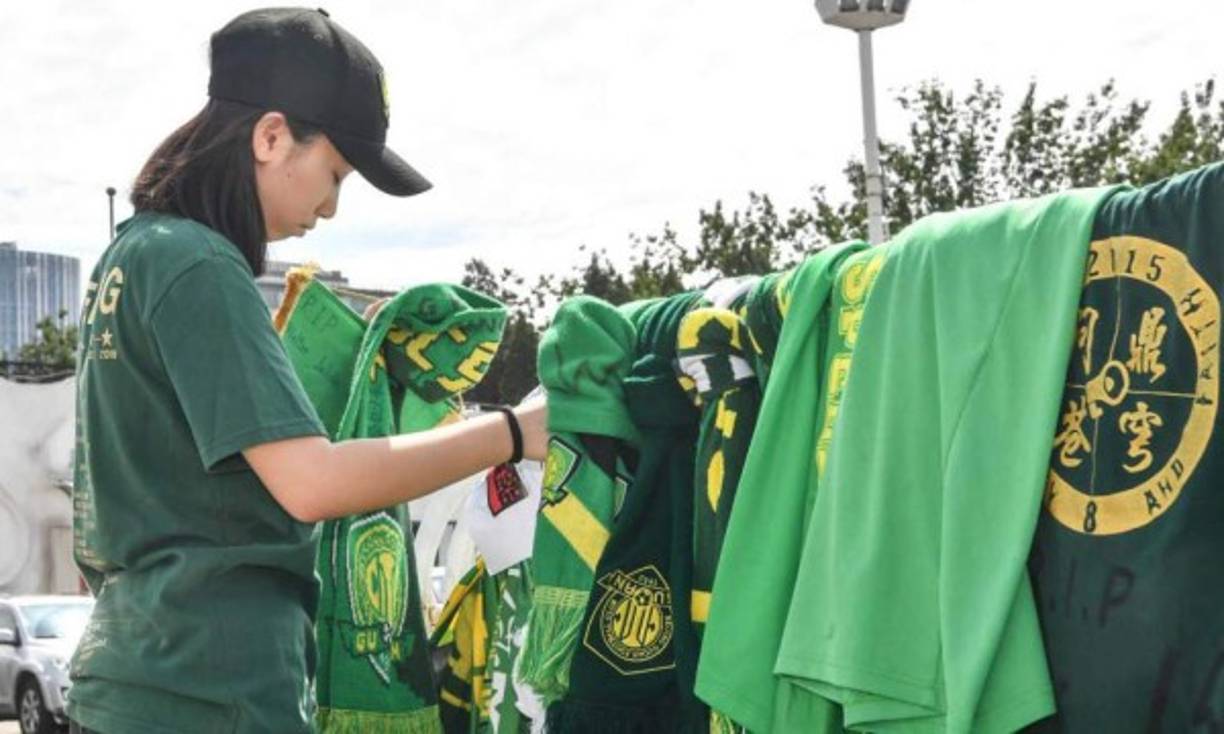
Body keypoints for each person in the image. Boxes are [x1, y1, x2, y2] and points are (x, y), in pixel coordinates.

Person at [66, 8, 548, 734]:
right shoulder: (200, 266)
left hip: (134, 678)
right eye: (335, 174)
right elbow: (312, 483)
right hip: (211, 695)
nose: (328, 207)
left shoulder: (130, 257)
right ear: (270, 136)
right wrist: (514, 432)